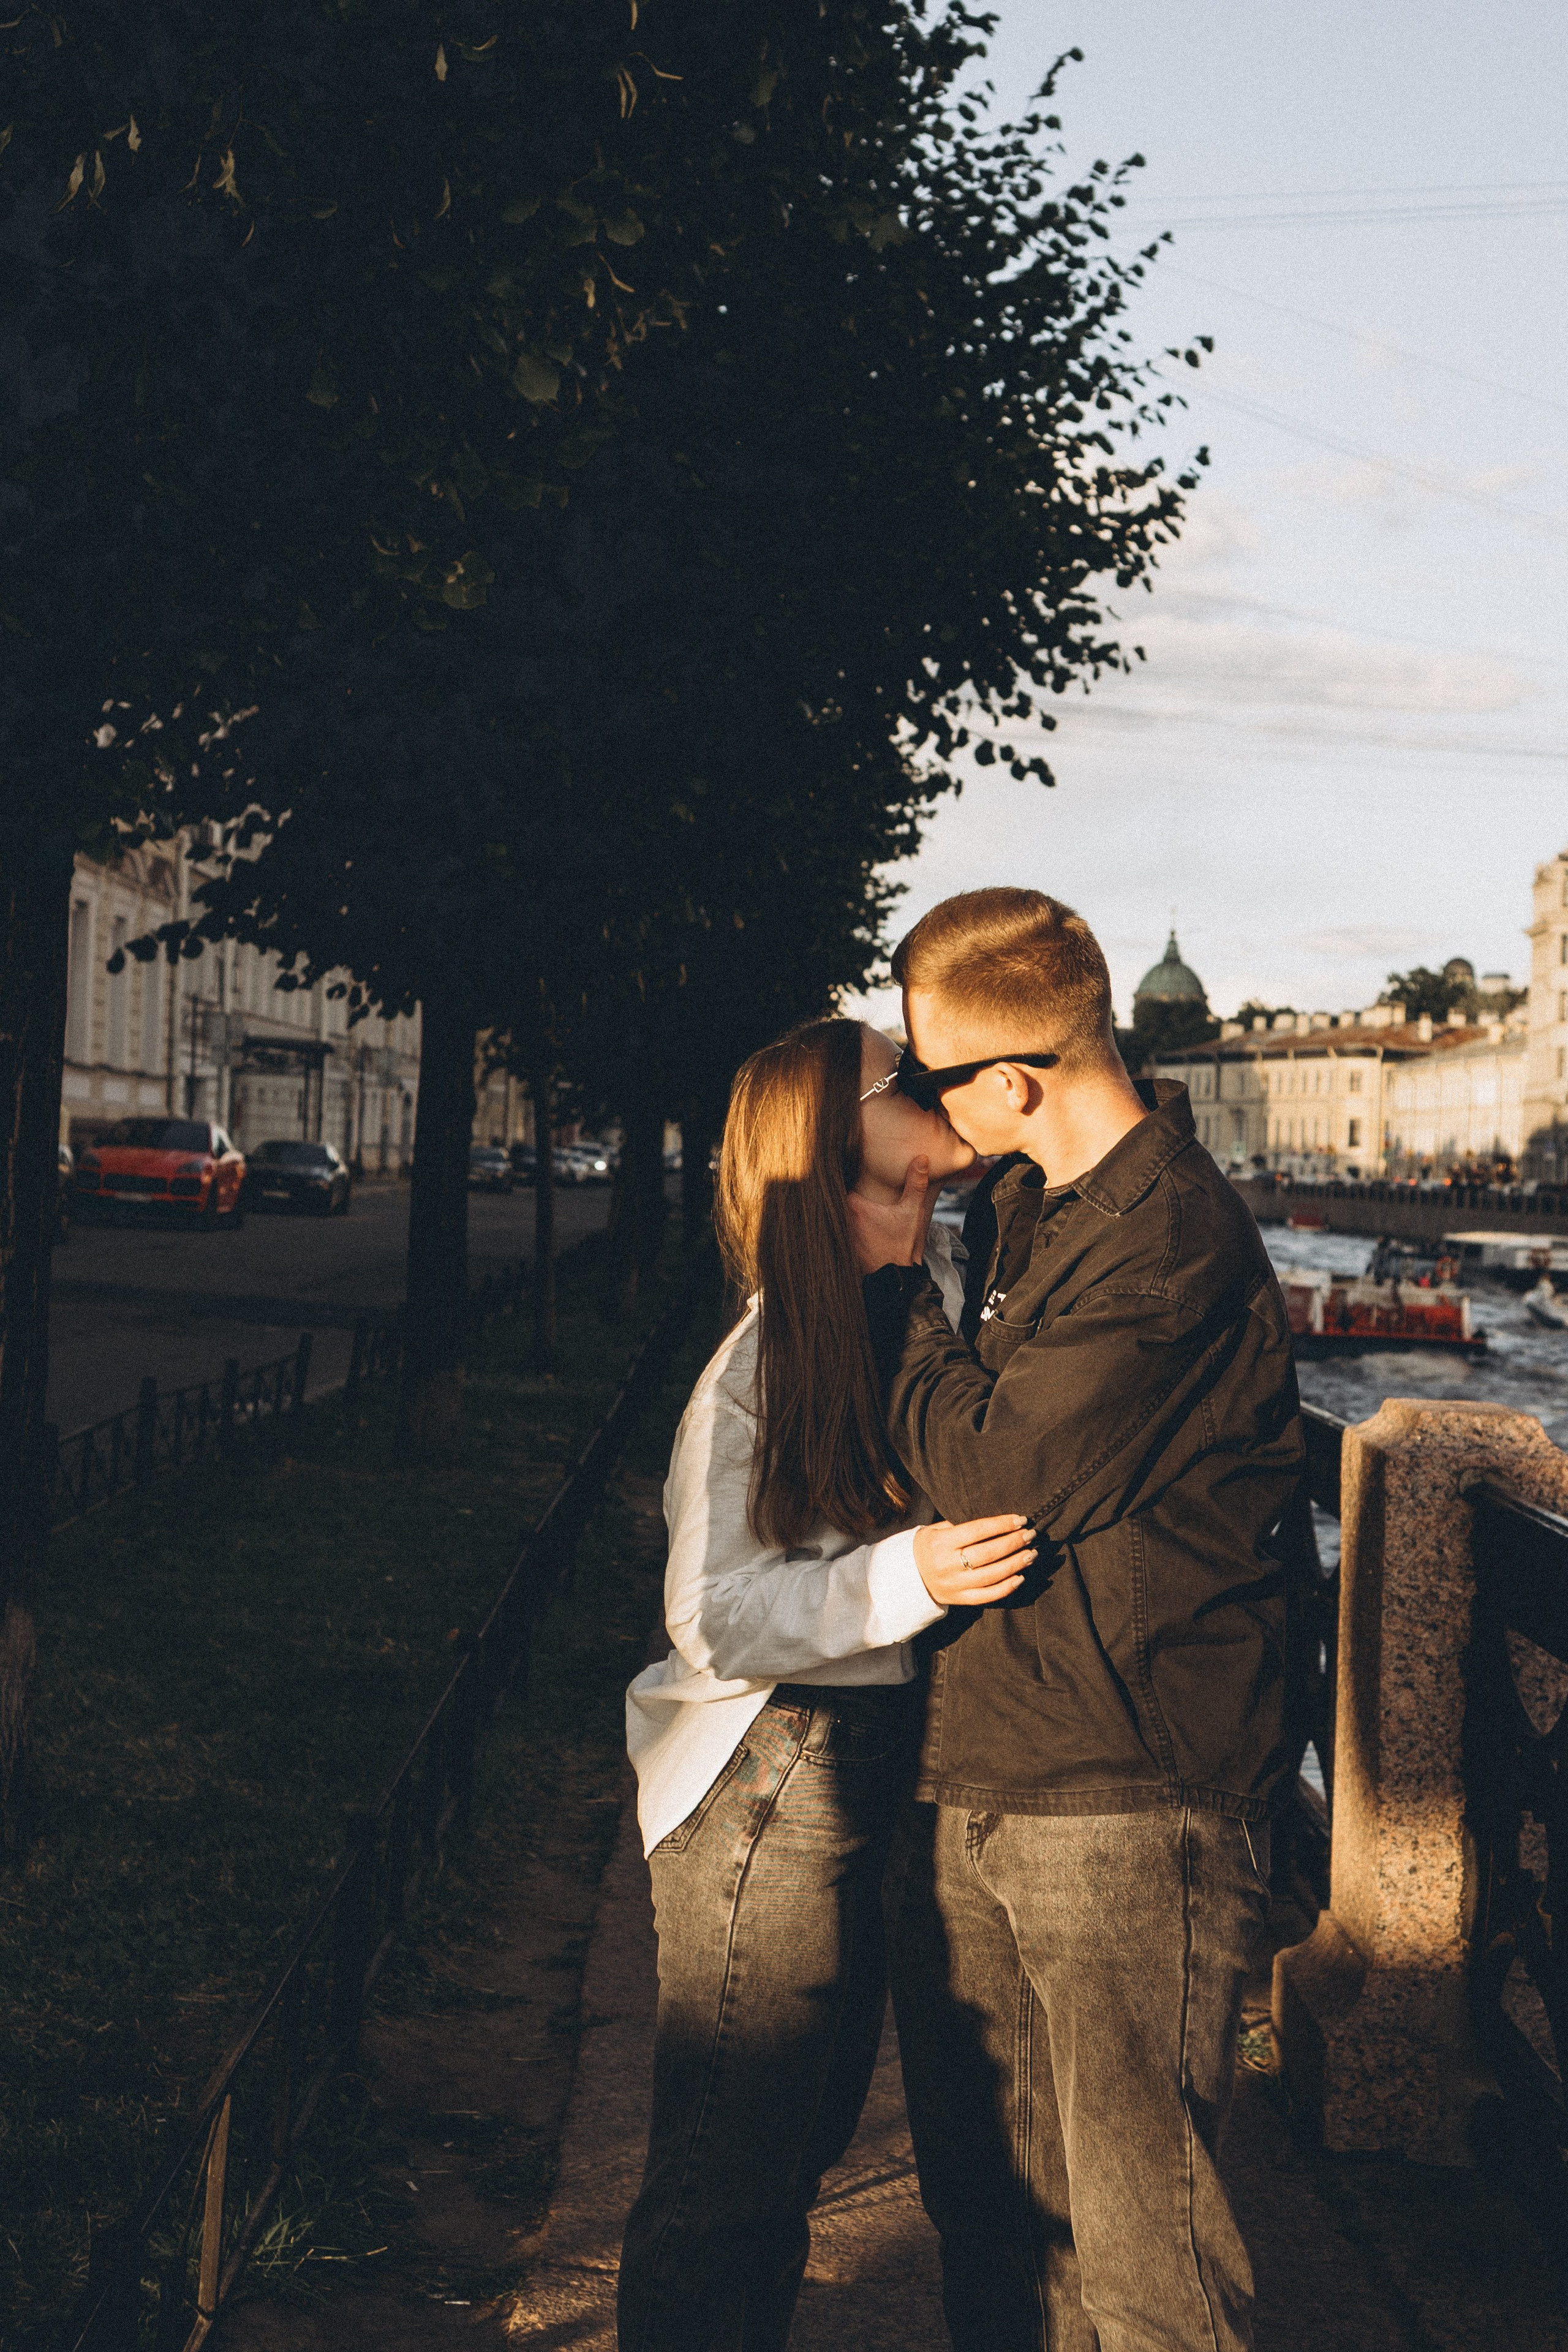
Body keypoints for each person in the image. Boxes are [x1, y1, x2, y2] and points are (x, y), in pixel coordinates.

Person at [846, 888, 1303, 2352]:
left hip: (1130, 1800)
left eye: (926, 1075)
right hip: (985, 1762)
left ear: (1011, 1082)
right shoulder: (1025, 1203)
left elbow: (991, 1473)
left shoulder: (1168, 1239)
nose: (915, 1106)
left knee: (1143, 2271)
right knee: (992, 2230)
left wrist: (883, 1293)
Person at [618, 1014, 1037, 2352]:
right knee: (723, 2184)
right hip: (764, 1780)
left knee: (782, 2166)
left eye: (933, 1186)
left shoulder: (908, 1295)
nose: (918, 1216)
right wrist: (908, 1575)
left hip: (848, 1775)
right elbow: (707, 1613)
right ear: (820, 1152)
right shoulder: (764, 1356)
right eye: (908, 1094)